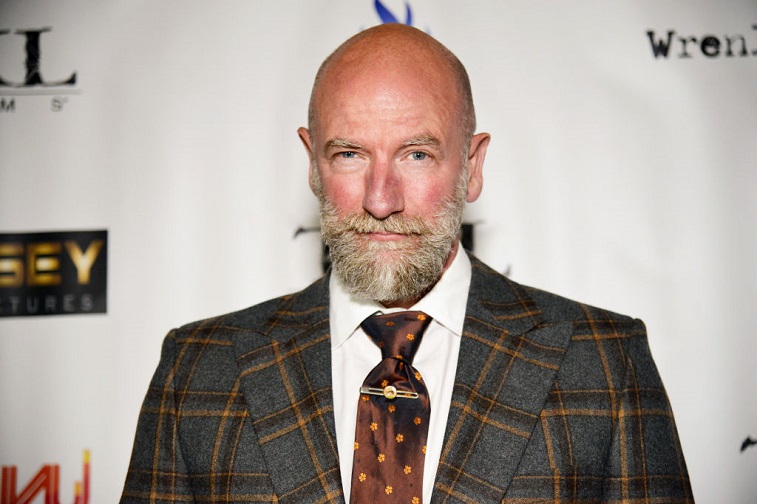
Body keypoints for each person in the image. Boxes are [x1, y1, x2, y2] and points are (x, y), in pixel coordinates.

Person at [121, 24, 693, 503]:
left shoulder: (604, 362)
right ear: (313, 165)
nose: (380, 199)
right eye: (349, 154)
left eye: (417, 154)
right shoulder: (197, 371)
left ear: (472, 166)